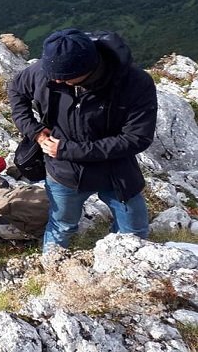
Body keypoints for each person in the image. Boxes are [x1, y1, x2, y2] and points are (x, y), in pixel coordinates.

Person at [8, 28, 158, 253]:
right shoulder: (47, 71)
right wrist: (35, 131)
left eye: (64, 78)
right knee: (62, 225)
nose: (56, 80)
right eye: (52, 74)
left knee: (134, 231)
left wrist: (68, 149)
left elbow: (137, 138)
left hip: (115, 170)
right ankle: (54, 270)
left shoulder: (133, 83)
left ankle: (122, 272)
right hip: (64, 172)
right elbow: (16, 89)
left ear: (88, 68)